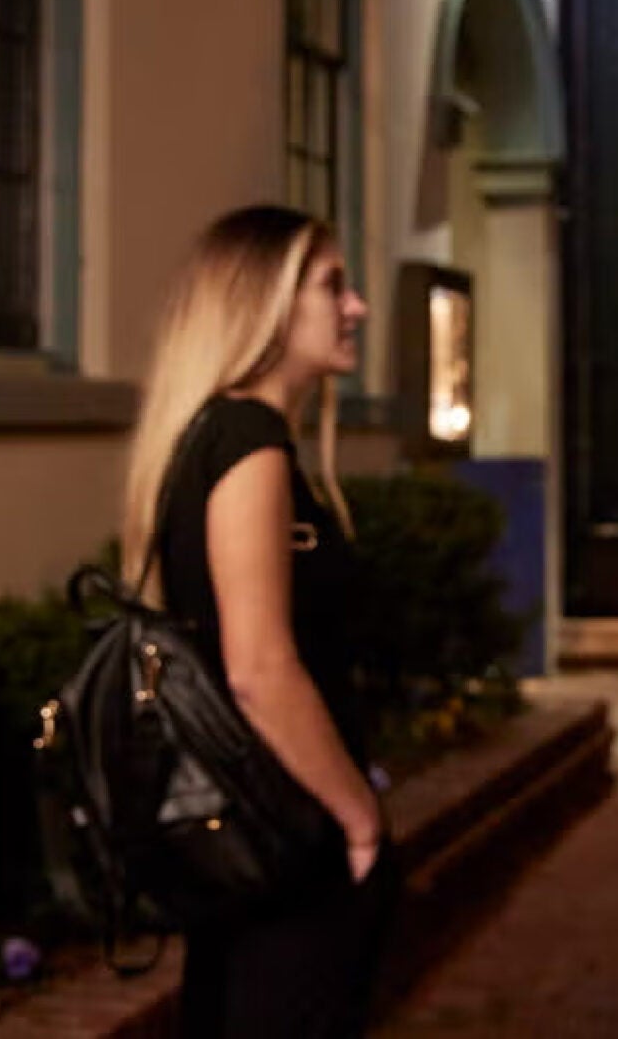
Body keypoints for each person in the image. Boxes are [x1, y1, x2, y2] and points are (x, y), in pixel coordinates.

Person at [121, 204, 395, 1038]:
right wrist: (360, 818)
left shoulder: (208, 435)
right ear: (264, 306)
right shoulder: (249, 442)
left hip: (242, 834)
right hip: (286, 840)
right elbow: (259, 668)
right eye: (332, 286)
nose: (357, 308)